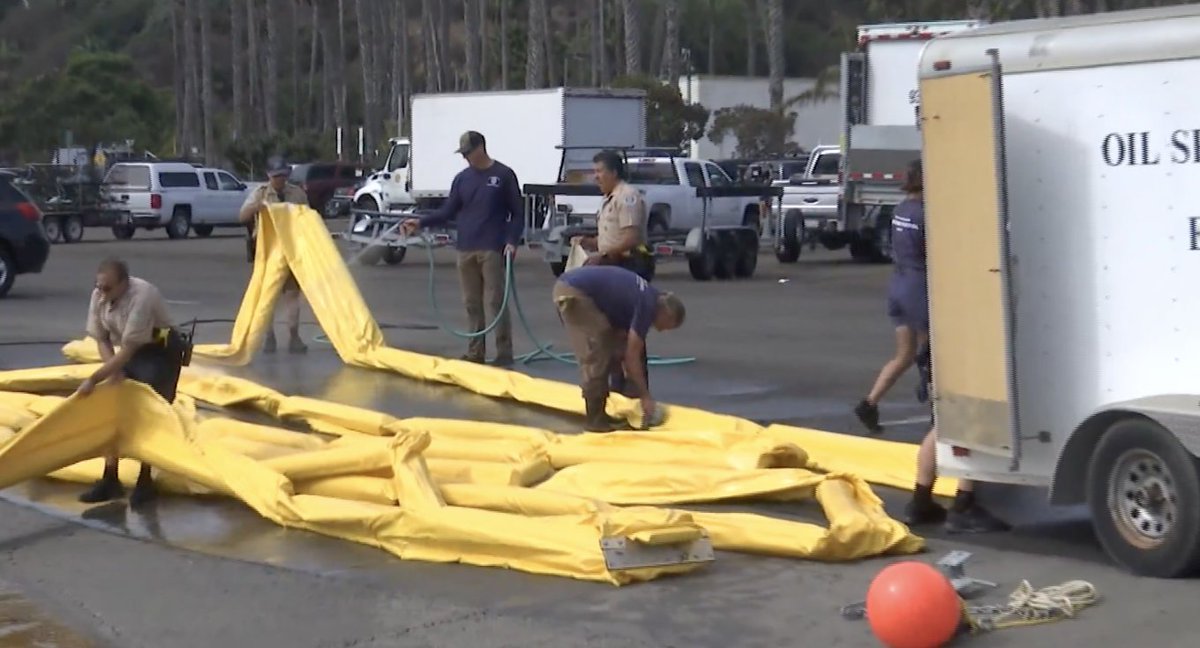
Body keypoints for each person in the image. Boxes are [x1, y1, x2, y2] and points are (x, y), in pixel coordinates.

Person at [402, 131, 524, 366]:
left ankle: (504, 352)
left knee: (495, 302)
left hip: (492, 247)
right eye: (463, 154)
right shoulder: (462, 179)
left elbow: (517, 213)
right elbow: (448, 211)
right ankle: (475, 352)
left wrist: (512, 240)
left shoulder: (503, 175)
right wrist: (420, 222)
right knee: (471, 303)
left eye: (468, 152)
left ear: (481, 148)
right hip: (466, 247)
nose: (466, 158)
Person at [75, 258, 187, 508]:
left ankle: (146, 478)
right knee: (113, 409)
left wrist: (95, 378)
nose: (102, 293)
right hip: (131, 352)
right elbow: (102, 338)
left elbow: (129, 349)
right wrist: (112, 371)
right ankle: (110, 477)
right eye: (99, 286)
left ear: (124, 284)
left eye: (108, 288)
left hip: (160, 353)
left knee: (147, 412)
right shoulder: (99, 295)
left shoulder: (142, 296)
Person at [552, 265, 686, 432]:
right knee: (597, 350)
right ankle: (595, 419)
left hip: (579, 289)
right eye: (667, 326)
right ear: (667, 314)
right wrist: (645, 396)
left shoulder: (649, 296)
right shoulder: (647, 306)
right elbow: (632, 356)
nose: (662, 330)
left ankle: (600, 413)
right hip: (574, 292)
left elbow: (624, 340)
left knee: (609, 345)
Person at [571, 149, 654, 397]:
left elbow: (630, 237)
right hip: (611, 265)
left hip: (627, 266)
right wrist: (590, 243)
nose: (596, 177)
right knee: (611, 327)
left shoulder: (627, 197)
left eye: (599, 172)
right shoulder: (609, 199)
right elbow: (611, 237)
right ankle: (617, 384)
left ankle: (636, 388)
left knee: (629, 328)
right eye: (594, 172)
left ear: (614, 172)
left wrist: (604, 256)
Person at [854, 159, 927, 434]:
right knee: (930, 353)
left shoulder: (901, 210)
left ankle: (870, 402)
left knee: (904, 353)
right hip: (917, 285)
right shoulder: (924, 214)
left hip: (897, 284)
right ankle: (932, 400)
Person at [905, 342, 1010, 534]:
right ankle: (964, 504)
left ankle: (920, 502)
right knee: (971, 421)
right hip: (968, 351)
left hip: (940, 349)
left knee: (943, 425)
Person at [238, 161, 309, 354]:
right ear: (269, 175)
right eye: (276, 176)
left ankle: (294, 336)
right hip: (268, 252)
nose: (280, 180)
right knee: (268, 296)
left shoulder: (297, 194)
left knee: (292, 295)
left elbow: (307, 218)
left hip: (291, 251)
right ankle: (269, 336)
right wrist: (257, 208)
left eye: (283, 176)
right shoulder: (260, 193)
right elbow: (242, 216)